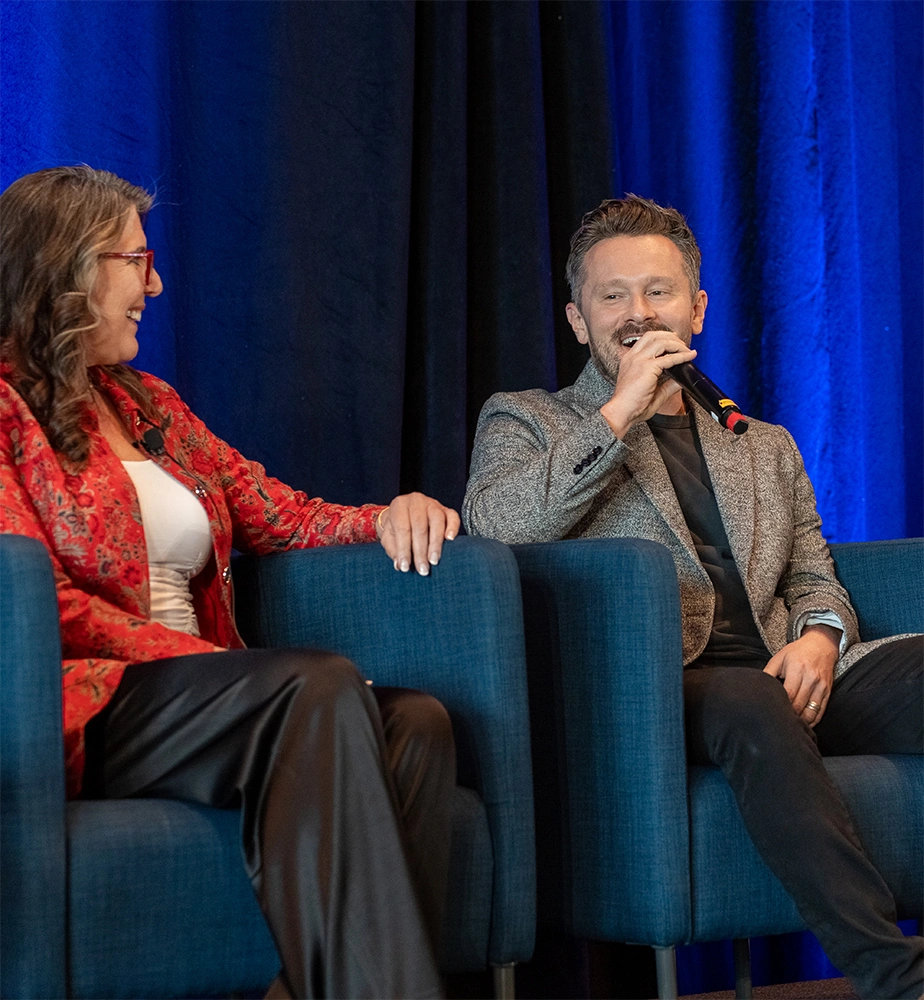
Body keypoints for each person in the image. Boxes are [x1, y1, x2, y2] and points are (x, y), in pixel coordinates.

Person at [0, 165, 461, 1000]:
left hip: (212, 692)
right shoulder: (5, 409)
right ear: (71, 266)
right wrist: (200, 662)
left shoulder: (151, 405)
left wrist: (393, 515)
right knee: (313, 686)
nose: (157, 281)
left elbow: (281, 514)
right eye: (137, 261)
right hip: (88, 701)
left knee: (417, 725)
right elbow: (35, 601)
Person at [463, 195, 923, 1000]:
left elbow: (815, 576)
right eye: (612, 297)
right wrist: (621, 413)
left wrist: (819, 637)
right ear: (578, 320)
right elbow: (497, 523)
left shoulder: (763, 442)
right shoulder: (527, 420)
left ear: (697, 309)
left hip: (790, 674)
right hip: (656, 689)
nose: (637, 314)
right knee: (749, 701)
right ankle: (894, 975)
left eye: (658, 292)